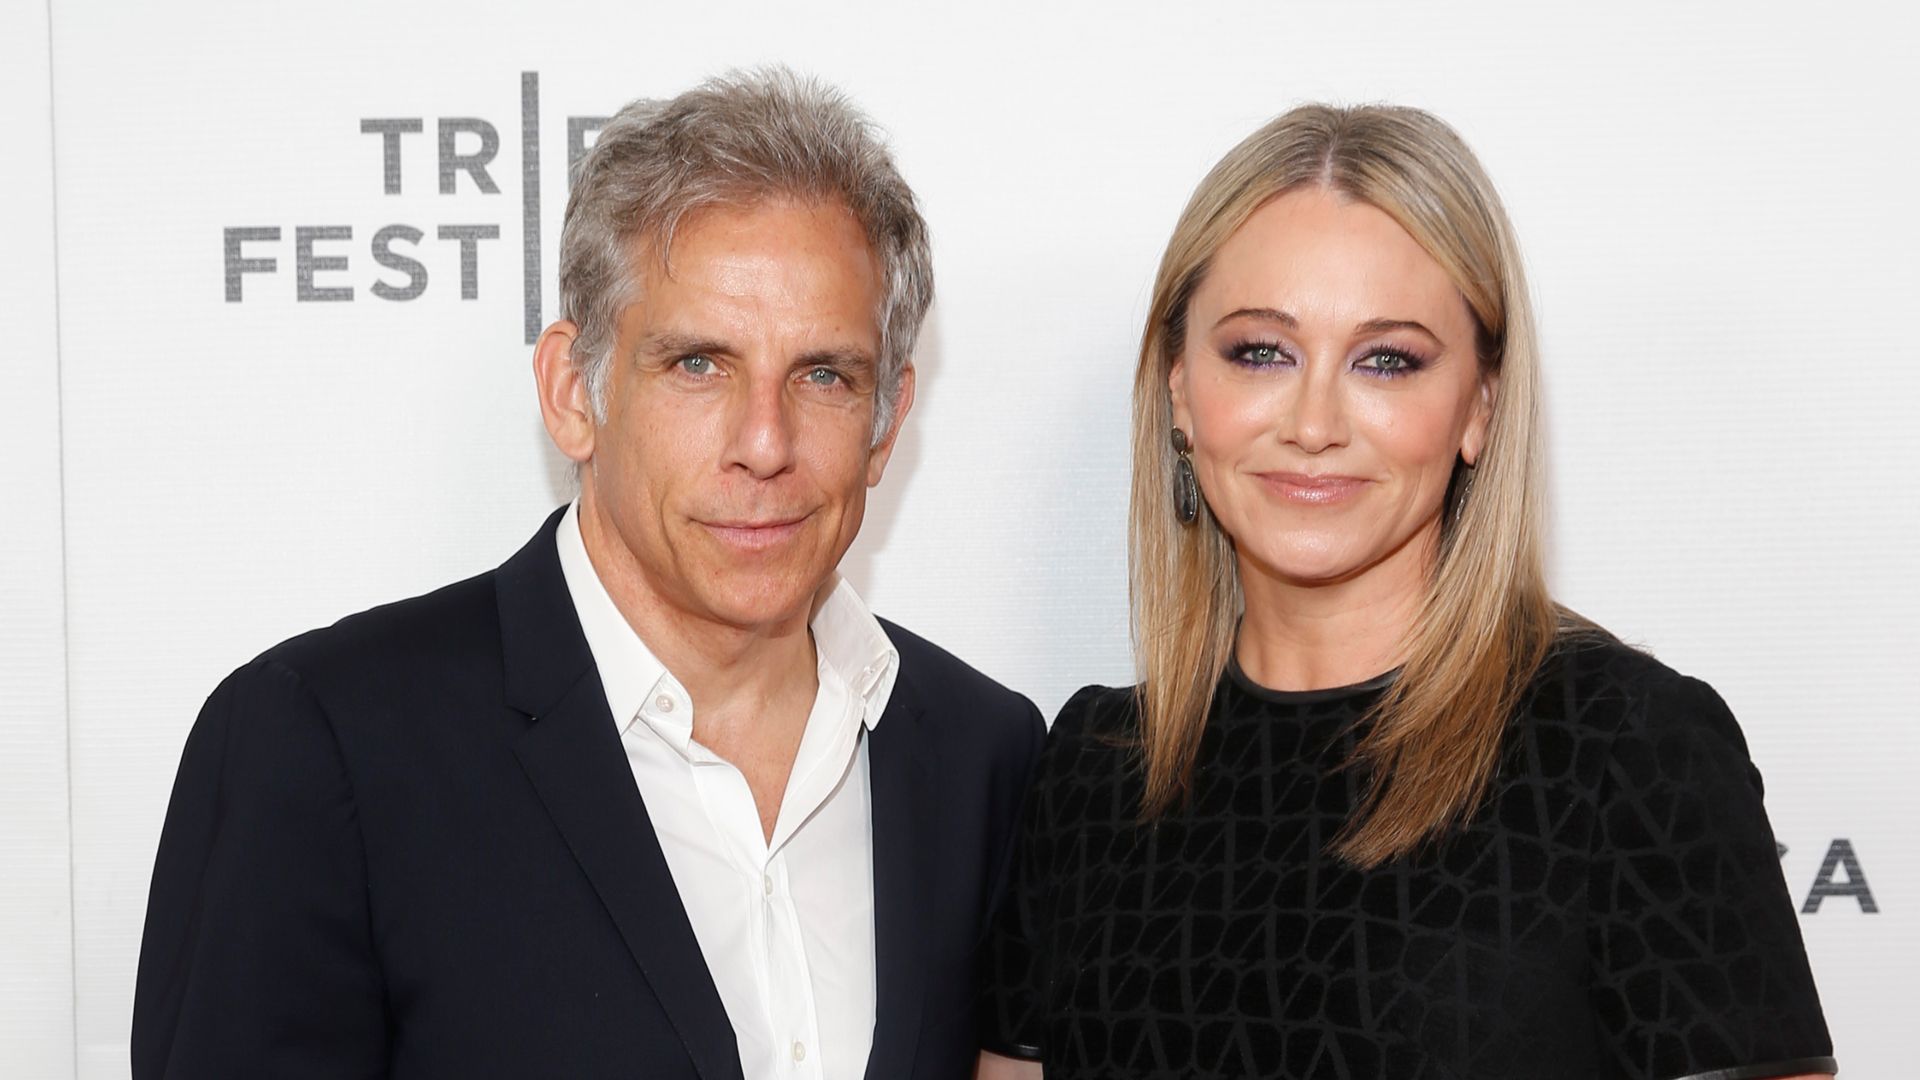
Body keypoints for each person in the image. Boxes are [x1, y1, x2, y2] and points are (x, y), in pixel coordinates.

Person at [132, 69, 1044, 1080]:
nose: (765, 442)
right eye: (699, 364)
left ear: (886, 424)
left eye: (824, 375)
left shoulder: (981, 759)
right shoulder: (323, 744)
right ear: (574, 393)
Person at [977, 105, 1835, 1080]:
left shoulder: (1622, 754)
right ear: (1179, 389)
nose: (1313, 422)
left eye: (1387, 360)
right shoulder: (1095, 773)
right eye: (1261, 351)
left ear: (1480, 406)